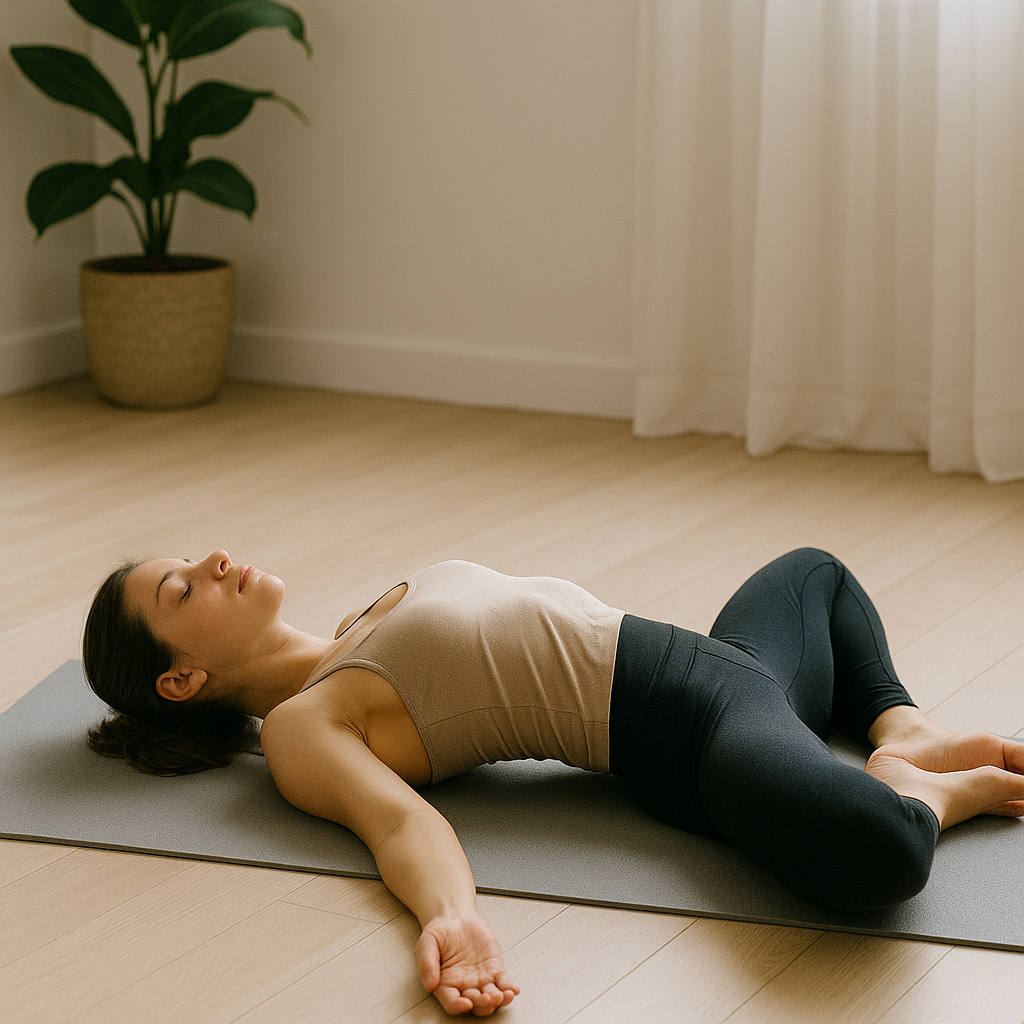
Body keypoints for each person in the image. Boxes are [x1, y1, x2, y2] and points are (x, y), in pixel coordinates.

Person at [82, 547, 1024, 1017]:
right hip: (696, 738)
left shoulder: (362, 617)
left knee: (814, 571)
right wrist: (452, 920)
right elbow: (400, 826)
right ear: (181, 681)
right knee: (883, 854)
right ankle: (922, 790)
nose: (211, 563)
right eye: (182, 593)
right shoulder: (304, 724)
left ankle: (902, 728)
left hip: (725, 661)